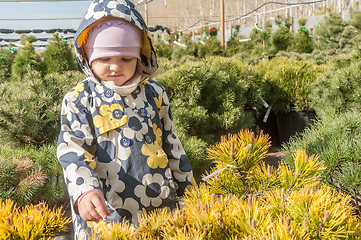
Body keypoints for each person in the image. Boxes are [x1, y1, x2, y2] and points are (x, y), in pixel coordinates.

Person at [57, 0, 194, 238]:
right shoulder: (80, 99)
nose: (114, 67)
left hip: (159, 207)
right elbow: (73, 150)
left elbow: (172, 144)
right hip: (105, 211)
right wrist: (85, 191)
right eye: (104, 58)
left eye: (126, 59)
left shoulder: (154, 93)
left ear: (141, 56)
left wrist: (189, 191)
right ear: (87, 56)